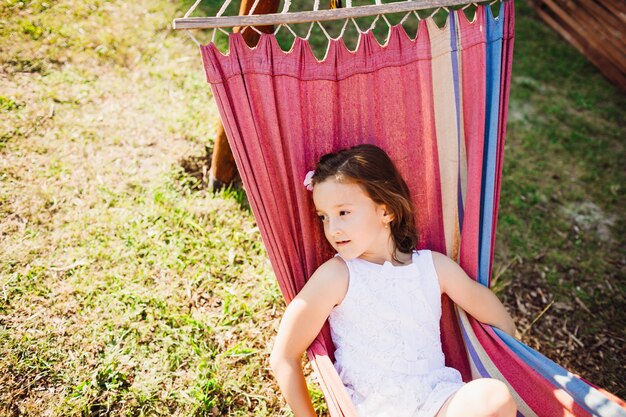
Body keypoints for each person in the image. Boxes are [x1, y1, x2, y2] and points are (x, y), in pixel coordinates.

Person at [269, 144, 517, 417]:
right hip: (376, 408)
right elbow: (284, 357)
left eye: (343, 213)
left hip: (438, 402)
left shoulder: (433, 267)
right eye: (324, 217)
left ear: (386, 212)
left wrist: (523, 369)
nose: (333, 228)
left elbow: (497, 318)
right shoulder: (337, 275)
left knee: (494, 397)